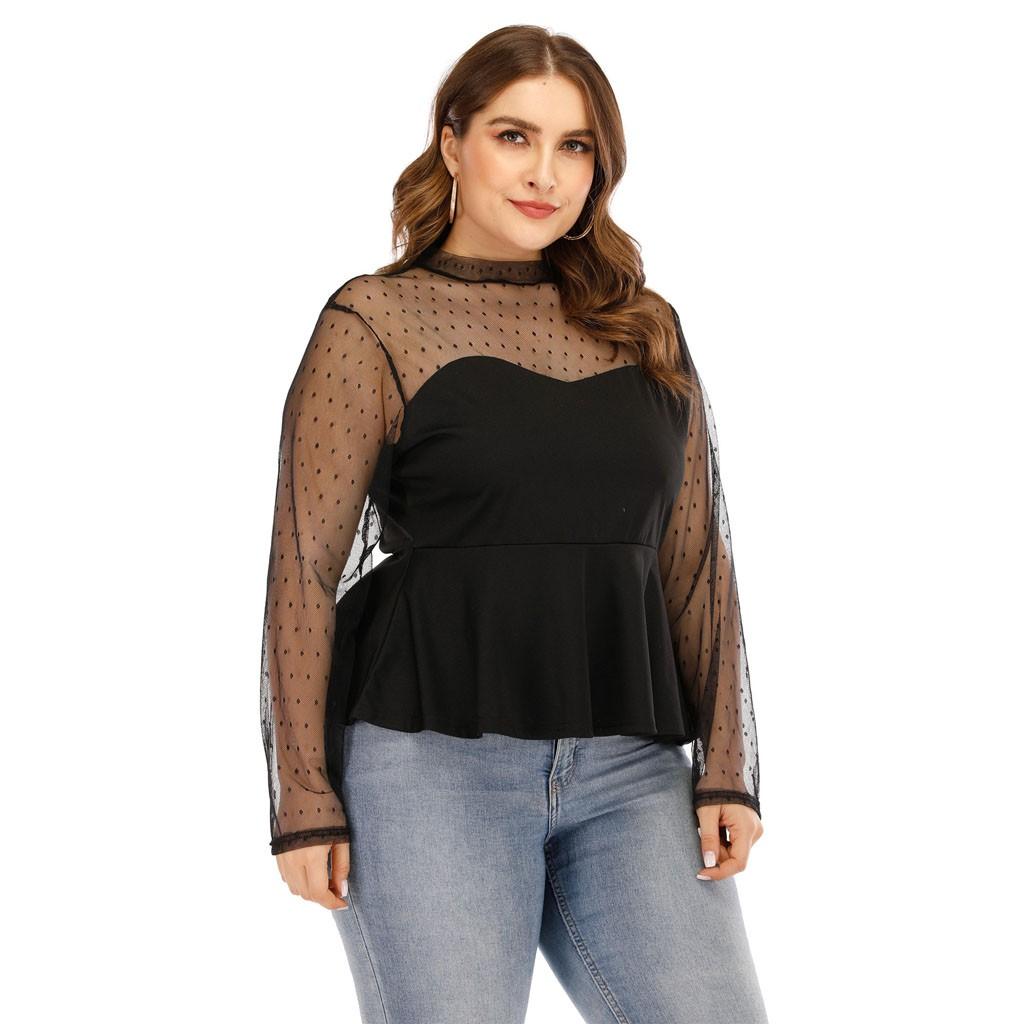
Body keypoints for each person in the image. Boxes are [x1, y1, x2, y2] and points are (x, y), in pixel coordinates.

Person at [259, 24, 768, 1024]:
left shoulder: (646, 328)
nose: (545, 173)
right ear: (452, 142)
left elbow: (695, 562)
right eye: (513, 136)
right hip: (427, 768)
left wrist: (726, 768)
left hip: (630, 768)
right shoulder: (375, 321)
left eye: (574, 145)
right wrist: (304, 797)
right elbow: (304, 569)